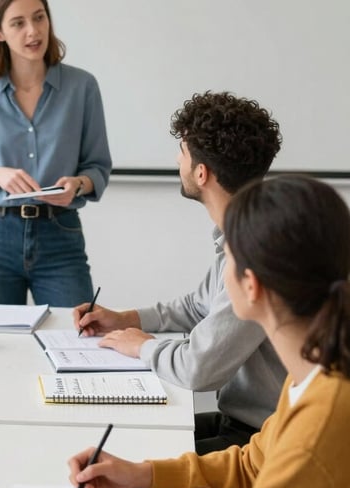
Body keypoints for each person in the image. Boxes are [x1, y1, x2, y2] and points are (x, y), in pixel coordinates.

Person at [65, 176, 350, 488]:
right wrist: (142, 474)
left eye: (227, 261)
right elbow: (253, 463)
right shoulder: (316, 369)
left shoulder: (327, 418)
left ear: (251, 285)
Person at [74, 91, 286, 453]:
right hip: (244, 423)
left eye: (183, 152)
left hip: (266, 440)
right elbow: (199, 307)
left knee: (130, 462)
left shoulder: (256, 253)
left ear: (201, 173)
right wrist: (126, 318)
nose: (177, 159)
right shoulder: (242, 232)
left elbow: (199, 370)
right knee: (124, 442)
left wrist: (143, 347)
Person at [0, 0, 111, 307]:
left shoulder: (82, 87)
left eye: (39, 18)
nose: (33, 31)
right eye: (18, 23)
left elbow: (97, 167)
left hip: (60, 234)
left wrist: (78, 184)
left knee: (76, 339)